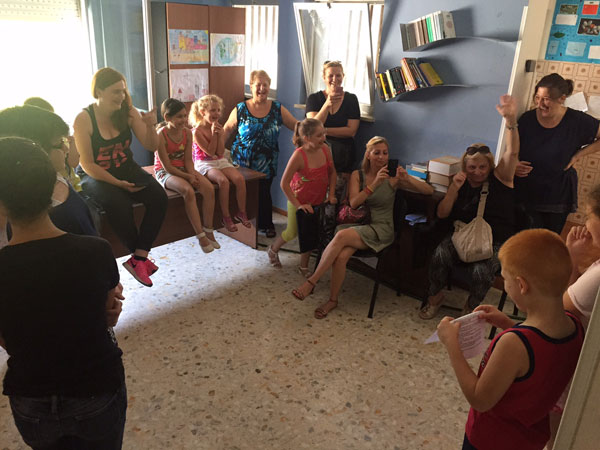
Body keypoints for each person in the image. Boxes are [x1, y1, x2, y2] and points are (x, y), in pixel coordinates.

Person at [0, 137, 127, 449]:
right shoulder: (96, 251)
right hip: (95, 390)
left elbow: (6, 339)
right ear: (52, 188)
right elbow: (107, 316)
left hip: (31, 399)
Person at [437, 229, 585, 450]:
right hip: (529, 439)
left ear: (522, 285)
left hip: (489, 441)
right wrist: (508, 323)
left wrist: (452, 345)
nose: (505, 284)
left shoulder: (513, 344)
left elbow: (480, 399)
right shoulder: (575, 326)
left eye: (505, 279)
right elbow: (540, 353)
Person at [292, 136, 434, 318]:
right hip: (358, 224)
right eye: (377, 153)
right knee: (341, 256)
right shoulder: (357, 175)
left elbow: (429, 190)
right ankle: (332, 301)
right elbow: (353, 203)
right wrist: (373, 185)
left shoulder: (393, 179)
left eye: (385, 153)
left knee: (341, 237)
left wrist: (408, 179)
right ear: (368, 155)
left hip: (381, 228)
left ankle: (311, 282)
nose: (381, 157)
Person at [419, 96, 520, 319]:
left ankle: (470, 308)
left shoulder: (500, 179)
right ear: (465, 166)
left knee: (481, 272)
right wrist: (453, 189)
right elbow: (442, 214)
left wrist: (511, 121)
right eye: (472, 167)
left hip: (494, 240)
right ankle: (435, 298)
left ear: (489, 166)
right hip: (463, 236)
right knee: (439, 255)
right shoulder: (461, 182)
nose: (478, 172)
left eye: (482, 167)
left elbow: (512, 153)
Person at [73, 67, 168, 287]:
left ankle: (139, 257)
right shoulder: (84, 119)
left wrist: (151, 125)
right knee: (118, 203)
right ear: (99, 91)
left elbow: (151, 145)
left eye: (123, 91)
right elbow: (87, 164)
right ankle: (139, 258)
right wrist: (118, 184)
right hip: (94, 173)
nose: (122, 96)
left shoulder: (128, 112)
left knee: (159, 197)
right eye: (116, 92)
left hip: (126, 167)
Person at [545, 183, 600, 449]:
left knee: (559, 438)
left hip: (575, 370)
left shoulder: (598, 276)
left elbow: (557, 314)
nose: (586, 223)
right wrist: (573, 260)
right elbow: (573, 301)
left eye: (590, 215)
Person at [515, 73, 600, 234]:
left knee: (549, 241)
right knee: (524, 240)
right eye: (537, 98)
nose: (540, 104)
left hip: (557, 195)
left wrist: (578, 155)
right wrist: (514, 164)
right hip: (526, 191)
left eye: (546, 99)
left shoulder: (577, 120)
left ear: (562, 98)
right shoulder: (526, 119)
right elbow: (512, 150)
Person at [0, 105, 97, 236]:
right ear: (35, 151)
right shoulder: (23, 216)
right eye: (59, 143)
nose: (66, 149)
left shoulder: (56, 177)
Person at [224, 69, 298, 238]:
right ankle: (244, 227)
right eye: (258, 85)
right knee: (243, 193)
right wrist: (216, 153)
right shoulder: (241, 109)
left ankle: (266, 224)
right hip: (241, 162)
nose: (262, 89)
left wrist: (310, 132)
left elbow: (296, 126)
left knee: (264, 193)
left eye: (265, 85)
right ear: (251, 86)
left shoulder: (277, 109)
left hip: (267, 162)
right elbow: (227, 129)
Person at [267, 118, 337, 276]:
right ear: (307, 138)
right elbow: (284, 184)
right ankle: (273, 249)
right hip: (298, 201)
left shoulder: (325, 149)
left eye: (324, 133)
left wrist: (331, 194)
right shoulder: (298, 156)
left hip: (318, 200)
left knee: (310, 233)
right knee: (292, 232)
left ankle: (303, 266)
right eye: (319, 135)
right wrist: (299, 205)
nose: (324, 137)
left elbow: (332, 172)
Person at [155, 98, 219, 253]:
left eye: (184, 116)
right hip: (165, 171)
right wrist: (189, 178)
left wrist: (192, 174)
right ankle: (200, 235)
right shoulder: (161, 135)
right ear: (167, 118)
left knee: (209, 189)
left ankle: (208, 229)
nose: (183, 120)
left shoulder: (187, 133)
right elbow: (167, 167)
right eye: (179, 117)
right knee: (188, 191)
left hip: (183, 168)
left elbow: (188, 160)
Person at [190, 94, 251, 233]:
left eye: (218, 110)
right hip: (204, 163)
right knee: (223, 181)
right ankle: (226, 217)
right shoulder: (197, 131)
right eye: (212, 110)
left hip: (219, 160)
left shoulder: (219, 128)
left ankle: (241, 212)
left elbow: (220, 152)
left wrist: (219, 134)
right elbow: (210, 152)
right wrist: (214, 134)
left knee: (239, 179)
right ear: (203, 112)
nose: (216, 113)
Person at [306, 60, 360, 175]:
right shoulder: (314, 99)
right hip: (318, 154)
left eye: (338, 75)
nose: (334, 79)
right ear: (324, 77)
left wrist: (324, 130)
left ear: (343, 76)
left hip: (344, 156)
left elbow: (351, 131)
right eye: (330, 75)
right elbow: (312, 128)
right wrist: (326, 105)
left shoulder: (351, 99)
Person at [23, 97, 82, 191]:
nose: (65, 149)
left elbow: (74, 163)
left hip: (74, 188)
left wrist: (72, 143)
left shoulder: (61, 139)